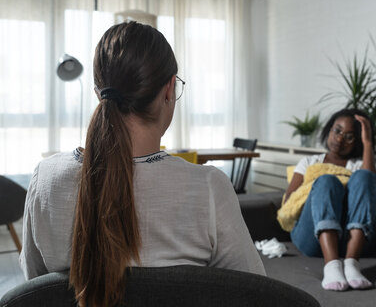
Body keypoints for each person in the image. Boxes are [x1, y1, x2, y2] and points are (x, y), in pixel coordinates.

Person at [20, 22, 265, 307]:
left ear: (98, 92)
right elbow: (255, 294)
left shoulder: (45, 178)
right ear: (169, 90)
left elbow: (35, 292)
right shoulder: (208, 188)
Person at [283, 108, 376, 292]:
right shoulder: (309, 162)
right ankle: (332, 265)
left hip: (353, 240)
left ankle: (351, 264)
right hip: (312, 238)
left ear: (357, 141)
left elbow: (372, 191)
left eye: (350, 136)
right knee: (326, 180)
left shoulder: (360, 164)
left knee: (365, 177)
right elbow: (290, 200)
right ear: (329, 130)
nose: (340, 139)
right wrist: (319, 194)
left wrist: (368, 142)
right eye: (337, 131)